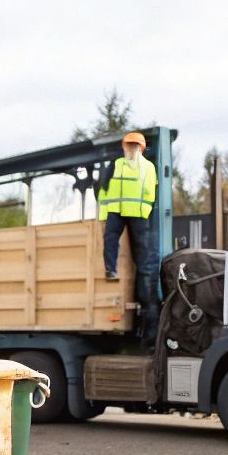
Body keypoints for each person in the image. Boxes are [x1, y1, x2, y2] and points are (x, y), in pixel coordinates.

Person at [97, 130, 160, 338]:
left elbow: (151, 192)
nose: (131, 149)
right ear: (124, 147)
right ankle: (110, 270)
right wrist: (103, 215)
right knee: (110, 239)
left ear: (141, 149)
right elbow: (103, 191)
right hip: (116, 211)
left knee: (144, 259)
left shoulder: (148, 168)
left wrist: (147, 213)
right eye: (128, 145)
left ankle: (146, 301)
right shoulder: (116, 165)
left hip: (138, 214)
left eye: (135, 146)